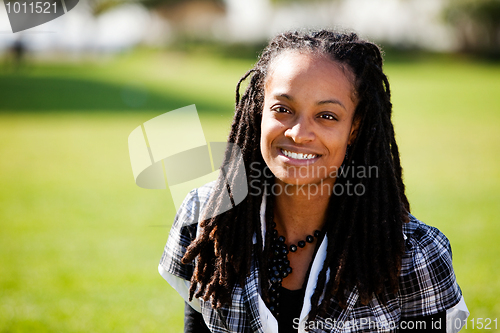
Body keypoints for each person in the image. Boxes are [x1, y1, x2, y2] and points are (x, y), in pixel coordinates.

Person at [159, 30, 469, 332]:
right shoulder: (211, 219)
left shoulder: (413, 253)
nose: (298, 133)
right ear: (258, 112)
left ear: (355, 128)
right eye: (283, 109)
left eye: (327, 116)